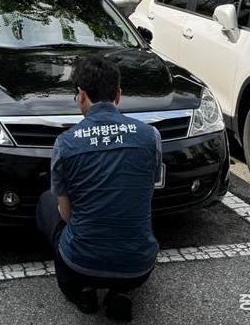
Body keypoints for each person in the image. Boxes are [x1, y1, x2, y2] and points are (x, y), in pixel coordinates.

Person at [36, 56, 161, 321]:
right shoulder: (151, 136)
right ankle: (120, 292)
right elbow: (145, 191)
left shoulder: (65, 143)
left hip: (80, 264)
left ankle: (83, 291)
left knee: (48, 202)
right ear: (118, 95)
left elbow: (66, 215)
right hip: (139, 266)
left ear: (81, 96)